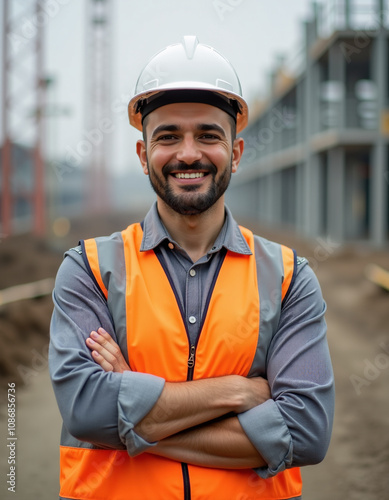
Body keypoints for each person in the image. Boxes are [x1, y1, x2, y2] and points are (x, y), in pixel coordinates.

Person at [49, 36, 335, 500]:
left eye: (208, 135)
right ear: (144, 157)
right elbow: (87, 411)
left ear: (236, 153)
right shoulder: (89, 269)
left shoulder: (289, 278)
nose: (187, 153)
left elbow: (305, 432)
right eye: (167, 136)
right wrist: (236, 393)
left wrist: (133, 417)